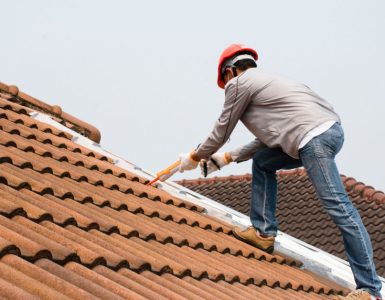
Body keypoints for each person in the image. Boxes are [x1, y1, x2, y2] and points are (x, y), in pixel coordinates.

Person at [177, 44, 382, 300]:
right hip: (321, 132)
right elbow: (272, 139)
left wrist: (195, 156)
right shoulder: (270, 84)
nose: (226, 88)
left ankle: (370, 290)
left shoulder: (239, 84)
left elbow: (222, 130)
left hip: (312, 138)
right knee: (264, 161)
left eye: (226, 80)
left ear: (229, 72)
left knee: (339, 207)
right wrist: (227, 158)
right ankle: (263, 232)